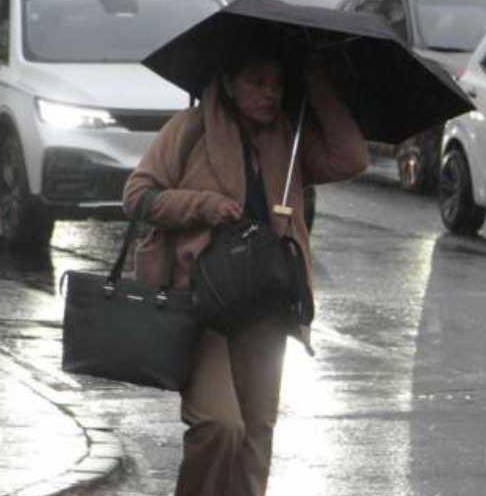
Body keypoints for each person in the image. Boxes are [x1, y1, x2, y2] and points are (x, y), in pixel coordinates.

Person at [122, 46, 368, 496]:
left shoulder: (288, 139)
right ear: (229, 82)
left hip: (267, 303)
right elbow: (137, 197)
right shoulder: (191, 128)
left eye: (276, 84)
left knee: (257, 440)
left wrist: (316, 86)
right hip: (204, 303)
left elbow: (352, 158)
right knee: (220, 426)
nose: (268, 94)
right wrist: (204, 205)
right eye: (256, 82)